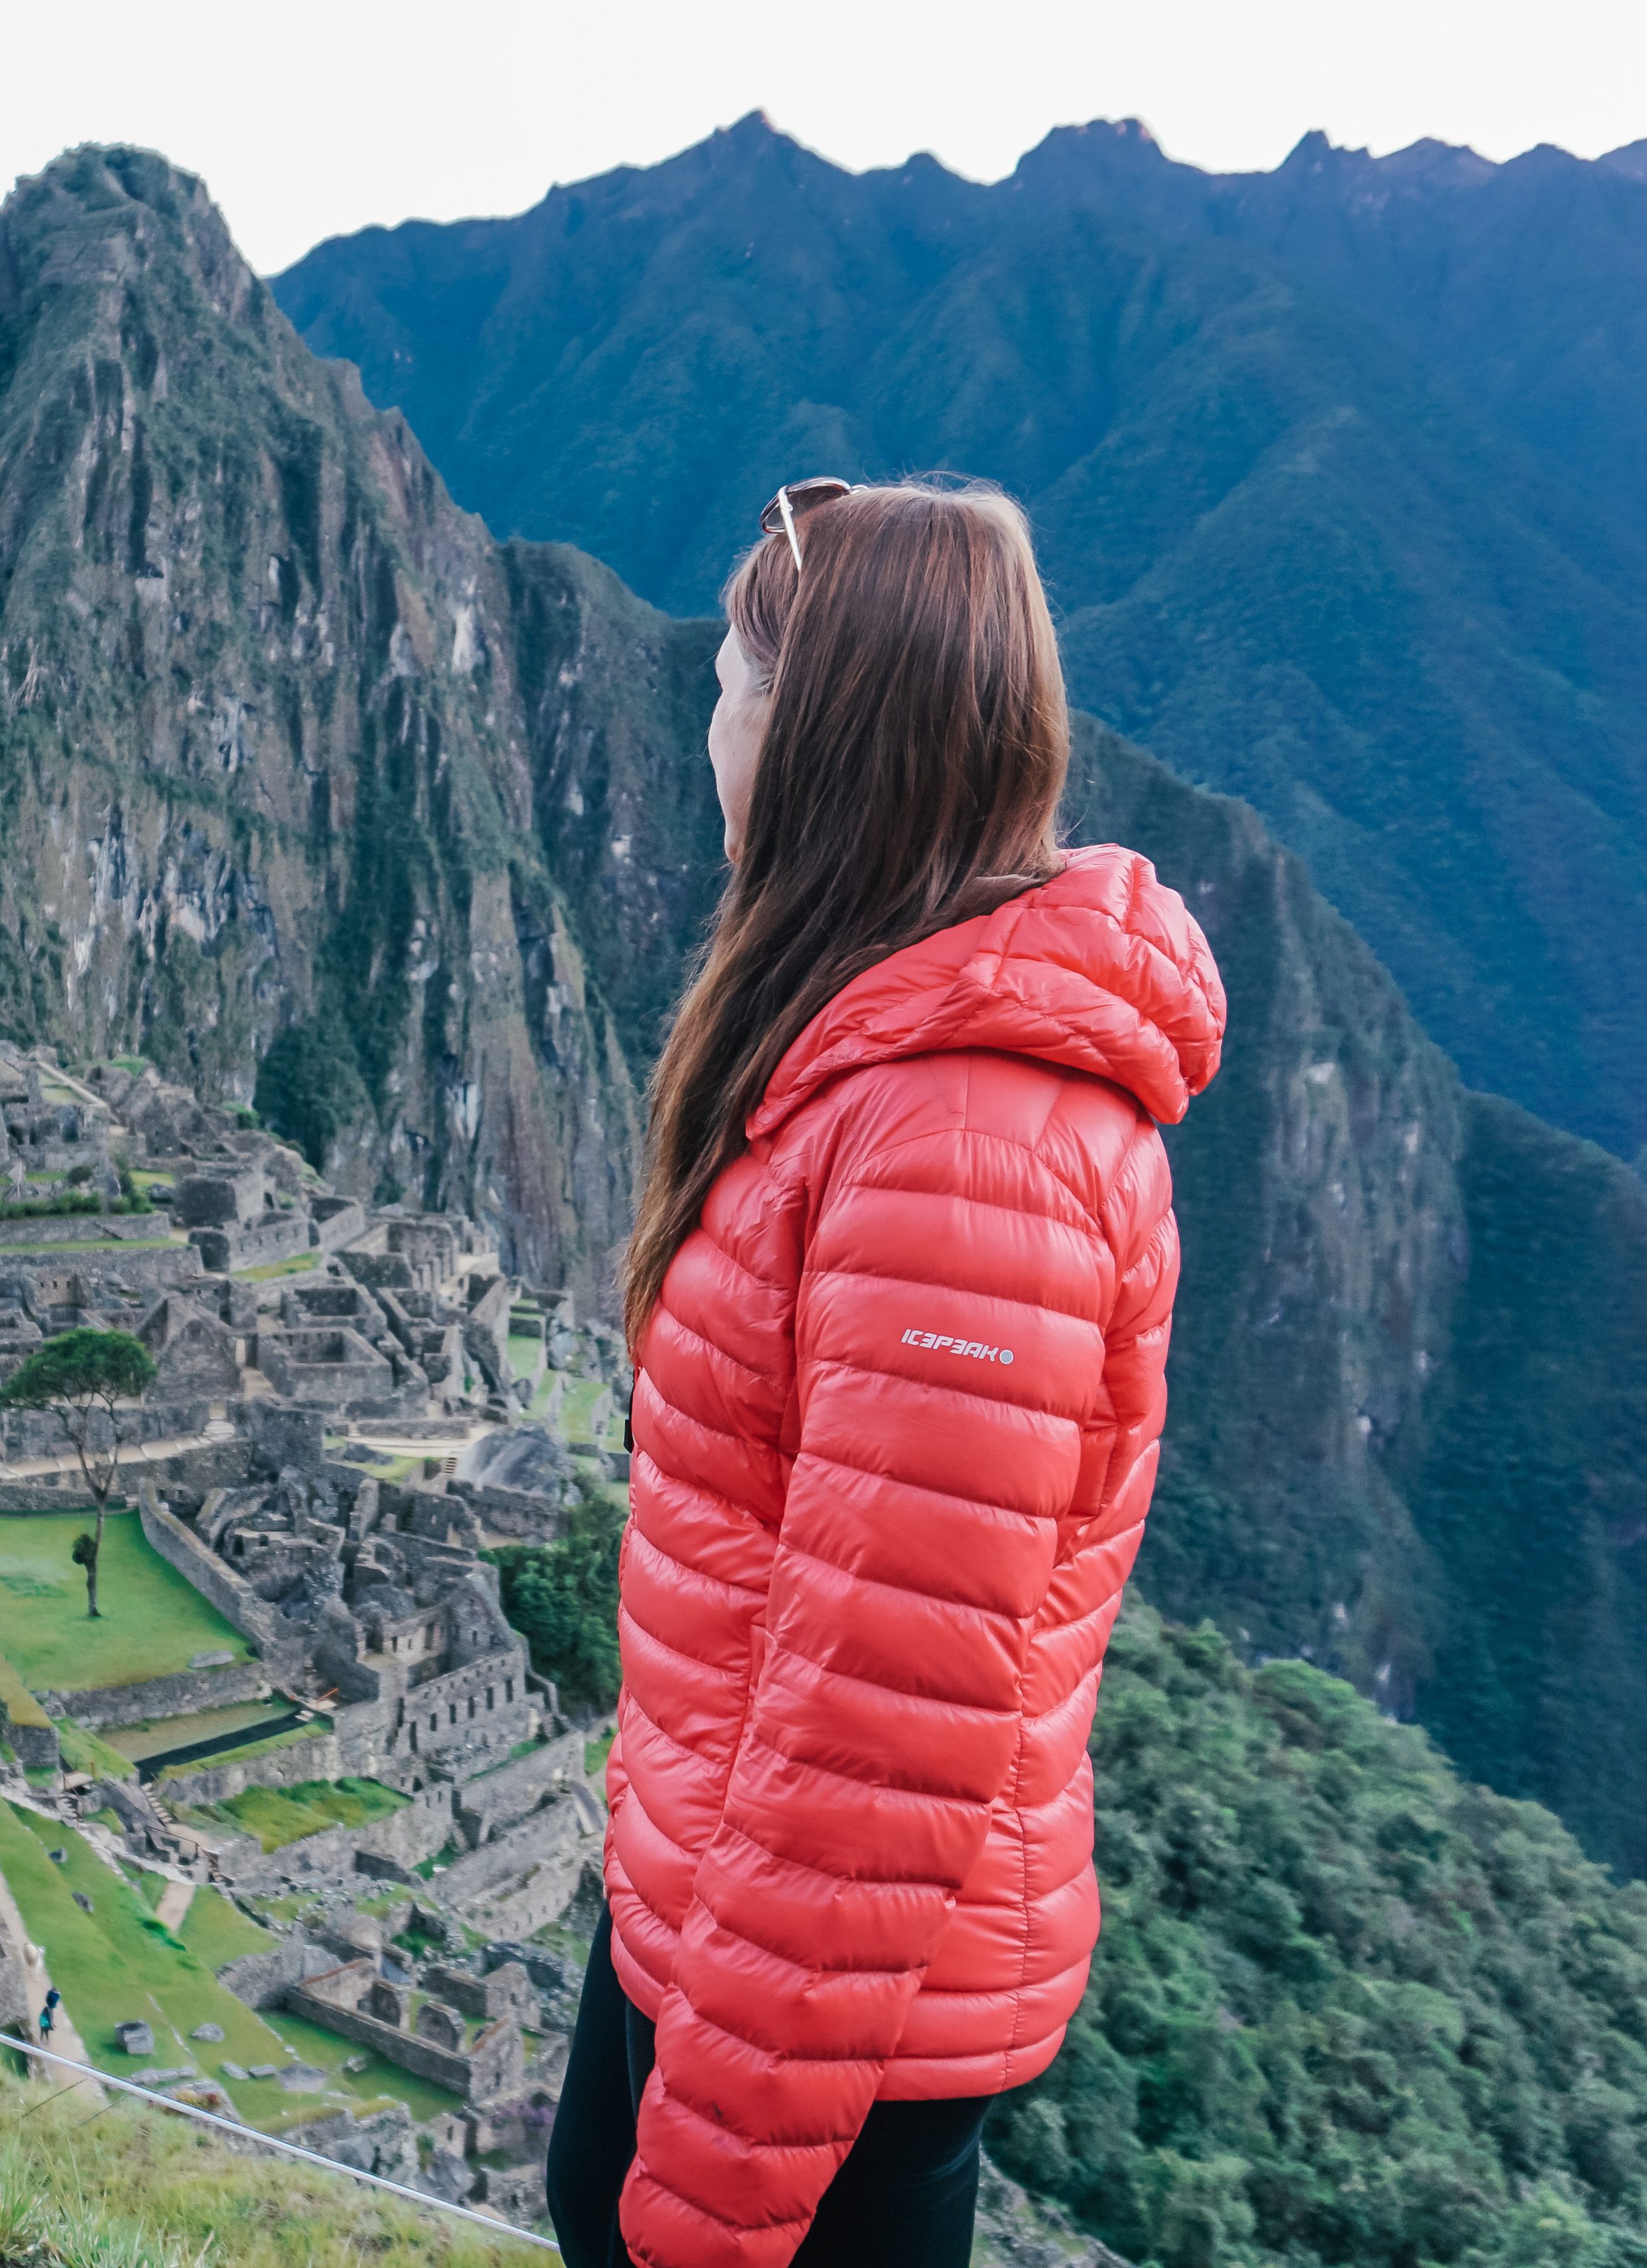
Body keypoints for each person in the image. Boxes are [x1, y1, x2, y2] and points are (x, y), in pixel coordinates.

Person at [545, 478, 1225, 2268]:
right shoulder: (867, 1040)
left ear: (819, 729)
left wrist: (710, 2195)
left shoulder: (966, 1150)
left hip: (827, 2034)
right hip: (717, 1936)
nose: (706, 719)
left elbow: (878, 1737)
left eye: (730, 682)